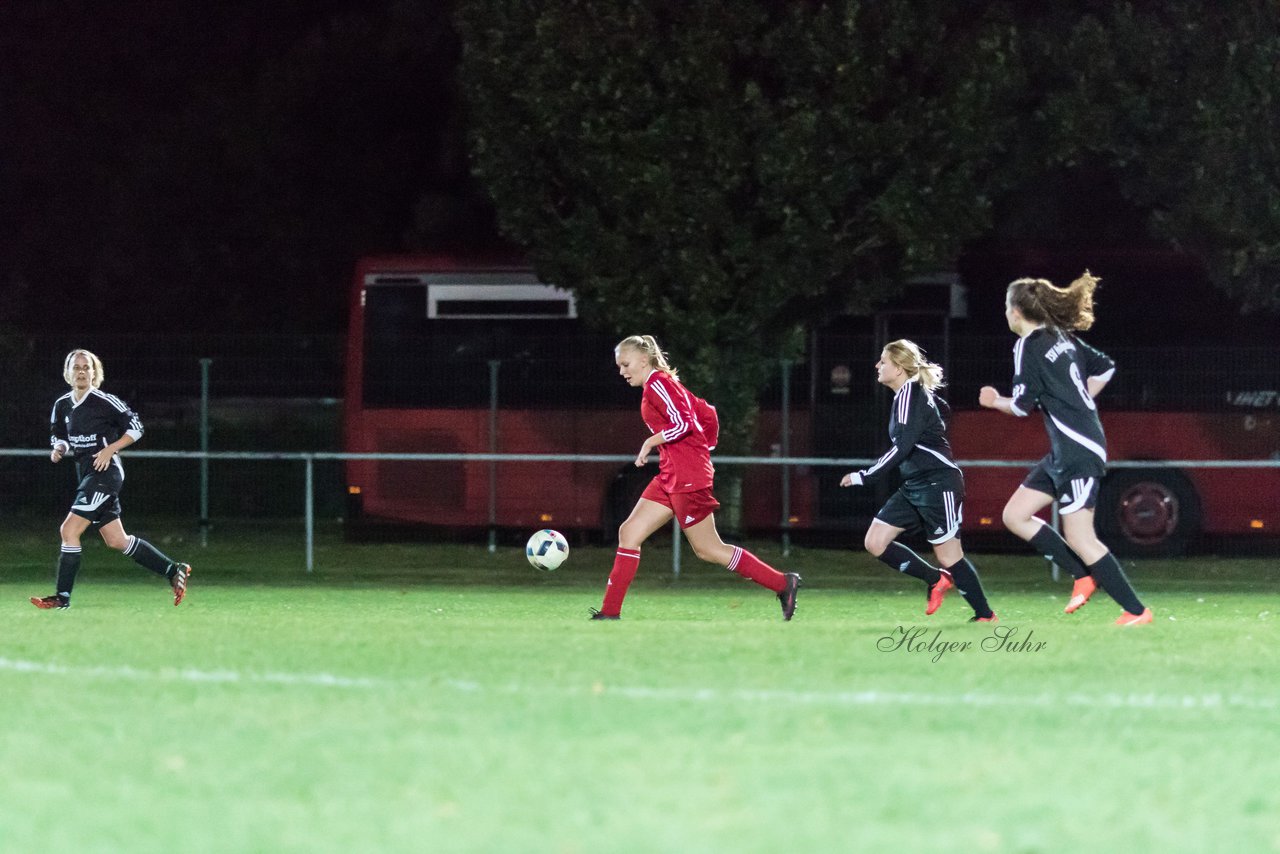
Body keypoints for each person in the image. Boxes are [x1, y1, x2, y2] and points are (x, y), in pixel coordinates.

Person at [978, 272, 1153, 626]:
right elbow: (1106, 367)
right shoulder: (1061, 336)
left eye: (1006, 308)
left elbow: (1022, 406)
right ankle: (1083, 576)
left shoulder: (1028, 346)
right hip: (1066, 450)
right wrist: (1081, 400)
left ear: (1015, 311)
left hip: (1078, 451)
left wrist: (995, 400)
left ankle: (1136, 611)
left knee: (1081, 536)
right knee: (1015, 516)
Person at [590, 335, 801, 620]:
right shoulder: (660, 384)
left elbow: (685, 423)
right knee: (629, 533)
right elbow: (707, 413)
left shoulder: (658, 384)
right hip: (672, 473)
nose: (622, 371)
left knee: (708, 549)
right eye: (619, 366)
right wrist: (703, 448)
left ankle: (782, 583)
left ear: (643, 360)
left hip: (686, 476)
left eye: (625, 364)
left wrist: (653, 443)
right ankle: (609, 612)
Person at [840, 340, 996, 622]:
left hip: (938, 485)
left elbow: (902, 447)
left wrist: (865, 476)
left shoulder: (909, 395)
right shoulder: (909, 395)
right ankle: (936, 580)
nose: (877, 365)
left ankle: (985, 615)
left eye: (883, 361)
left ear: (899, 368)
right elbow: (938, 415)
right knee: (875, 541)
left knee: (950, 555)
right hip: (915, 484)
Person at [31, 349, 192, 609]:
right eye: (76, 367)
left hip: (106, 474)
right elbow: (58, 434)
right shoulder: (62, 404)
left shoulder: (104, 401)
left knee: (68, 530)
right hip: (87, 474)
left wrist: (110, 448)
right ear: (68, 373)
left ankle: (62, 597)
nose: (81, 371)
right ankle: (173, 569)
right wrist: (59, 448)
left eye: (86, 367)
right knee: (117, 540)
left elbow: (136, 428)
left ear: (95, 373)